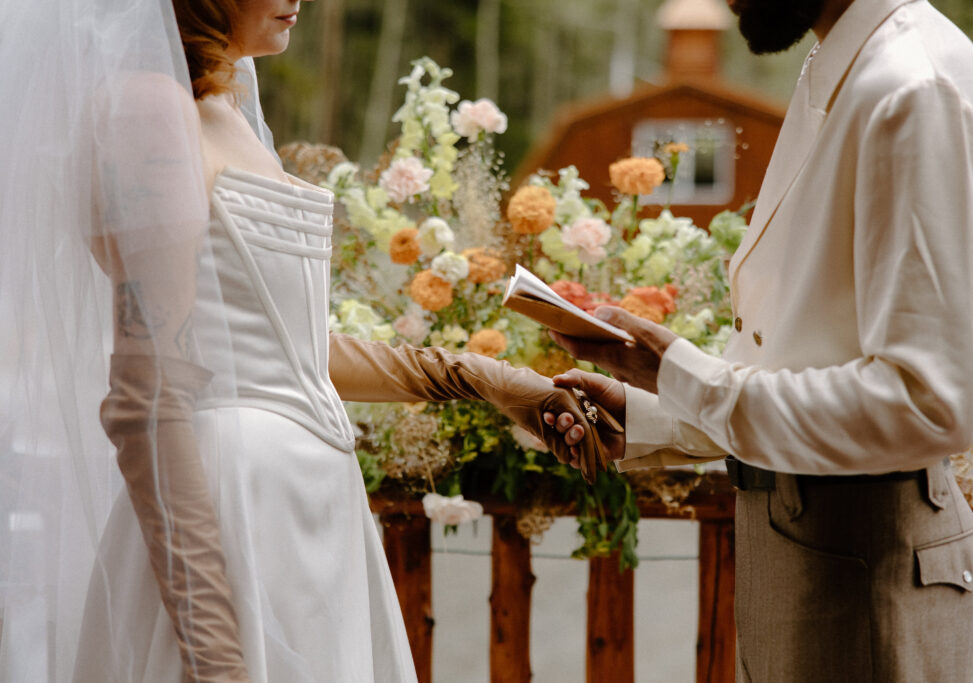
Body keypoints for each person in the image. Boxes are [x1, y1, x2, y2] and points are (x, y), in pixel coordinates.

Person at [0, 0, 607, 680]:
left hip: (307, 507)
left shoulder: (225, 108)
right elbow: (148, 401)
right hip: (229, 515)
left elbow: (281, 347)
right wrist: (215, 649)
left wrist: (486, 381)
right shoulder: (147, 109)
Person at [548, 0, 973, 680]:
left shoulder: (914, 89)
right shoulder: (847, 69)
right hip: (826, 556)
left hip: (864, 566)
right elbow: (806, 349)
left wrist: (680, 372)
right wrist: (655, 411)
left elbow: (923, 402)